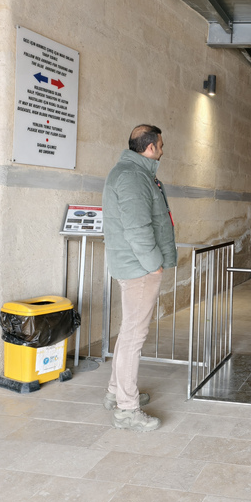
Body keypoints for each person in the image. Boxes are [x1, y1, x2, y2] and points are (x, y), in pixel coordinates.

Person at [102, 124, 177, 432]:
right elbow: (137, 228)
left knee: (128, 331)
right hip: (139, 269)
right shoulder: (133, 177)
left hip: (133, 267)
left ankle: (115, 393)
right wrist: (154, 264)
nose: (162, 149)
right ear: (149, 148)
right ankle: (127, 410)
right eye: (160, 145)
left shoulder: (132, 172)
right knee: (134, 337)